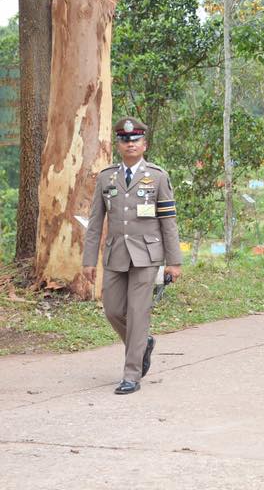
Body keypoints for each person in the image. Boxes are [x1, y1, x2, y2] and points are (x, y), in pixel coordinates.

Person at [82, 117, 183, 395]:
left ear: (144, 144)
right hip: (116, 254)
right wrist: (89, 260)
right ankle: (143, 343)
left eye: (135, 140)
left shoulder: (158, 176)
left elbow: (168, 222)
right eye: (125, 140)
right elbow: (95, 222)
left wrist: (174, 262)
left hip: (147, 255)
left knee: (138, 313)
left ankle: (131, 374)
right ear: (118, 144)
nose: (130, 144)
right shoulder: (106, 177)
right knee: (113, 309)